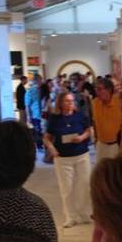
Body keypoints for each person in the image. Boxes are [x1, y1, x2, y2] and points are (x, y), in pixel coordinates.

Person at [45, 92, 92, 228]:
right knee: (66, 188)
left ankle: (83, 213)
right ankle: (70, 216)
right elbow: (47, 137)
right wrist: (51, 148)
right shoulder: (55, 119)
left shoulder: (80, 116)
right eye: (67, 101)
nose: (70, 103)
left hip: (81, 155)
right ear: (60, 103)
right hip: (63, 158)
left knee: (83, 185)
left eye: (72, 101)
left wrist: (81, 138)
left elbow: (89, 130)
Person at [91, 77, 122, 161]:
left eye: (99, 89)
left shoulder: (119, 102)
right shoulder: (95, 102)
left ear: (109, 90)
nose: (96, 92)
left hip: (116, 145)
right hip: (101, 144)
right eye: (96, 89)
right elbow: (95, 122)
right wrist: (95, 139)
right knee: (101, 167)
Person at [25, 74, 43, 150]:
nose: (41, 82)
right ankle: (39, 146)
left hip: (43, 114)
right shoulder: (30, 91)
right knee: (37, 130)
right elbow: (27, 105)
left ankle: (42, 144)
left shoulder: (42, 90)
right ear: (36, 80)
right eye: (40, 80)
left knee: (42, 130)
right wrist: (28, 116)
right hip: (35, 114)